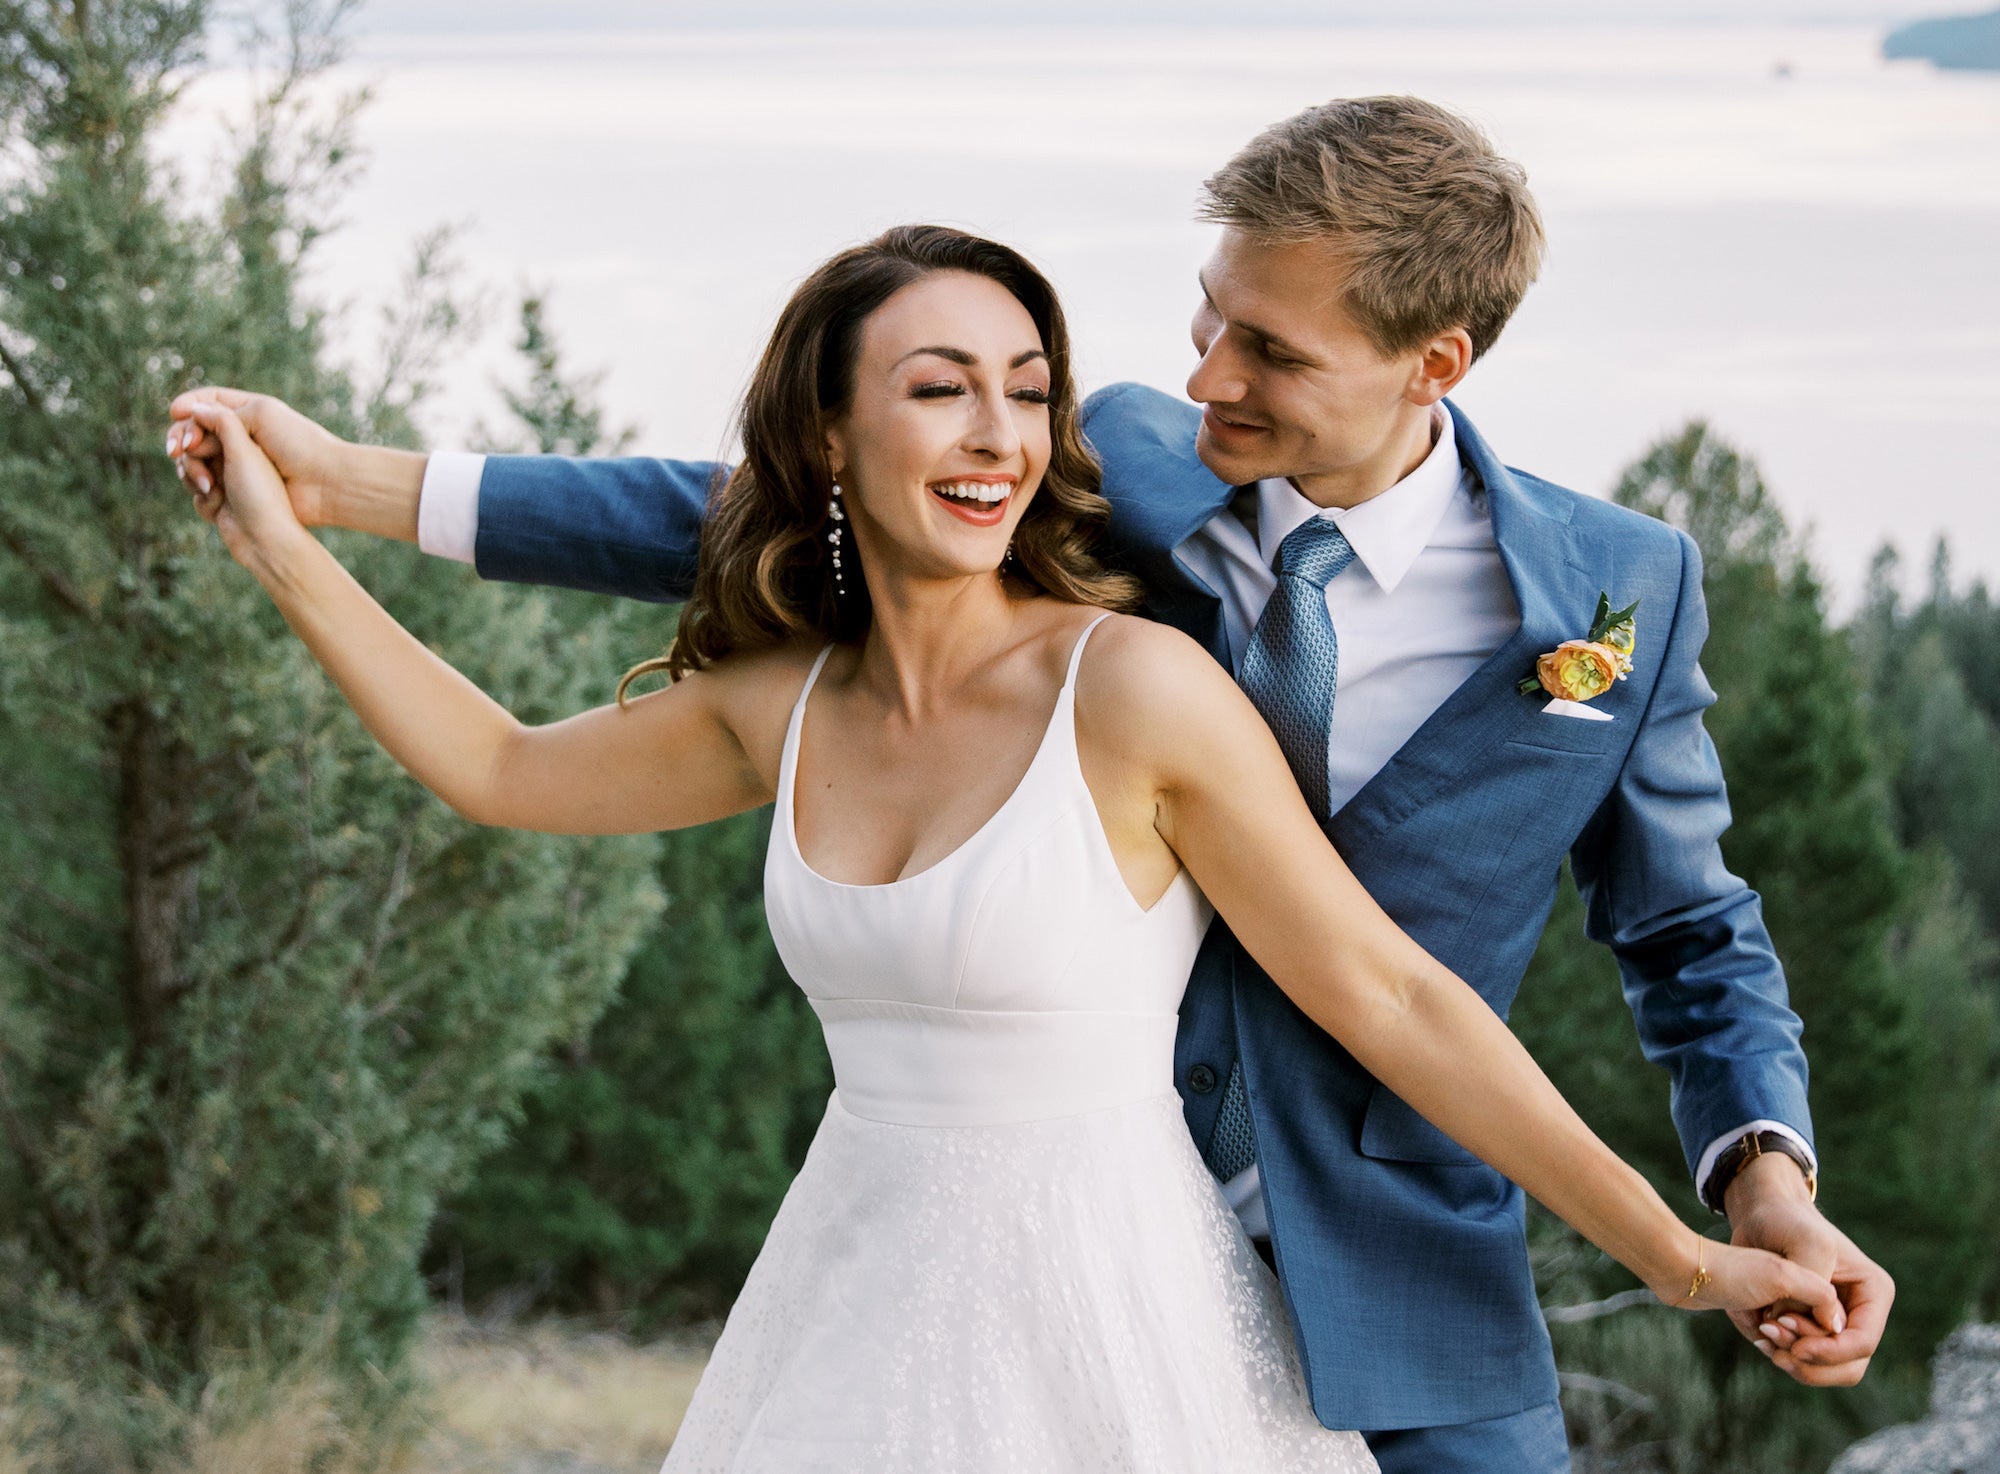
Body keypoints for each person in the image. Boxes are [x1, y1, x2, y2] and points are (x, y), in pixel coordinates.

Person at [168, 98, 1893, 1474]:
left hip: (1396, 1258)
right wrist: (358, 490)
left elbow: (1673, 932)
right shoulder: (1125, 456)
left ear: (1431, 362)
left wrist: (1750, 1192)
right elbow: (780, 497)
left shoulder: (1616, 593)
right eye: (1206, 319)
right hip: (976, 1259)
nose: (1208, 375)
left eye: (1270, 353)